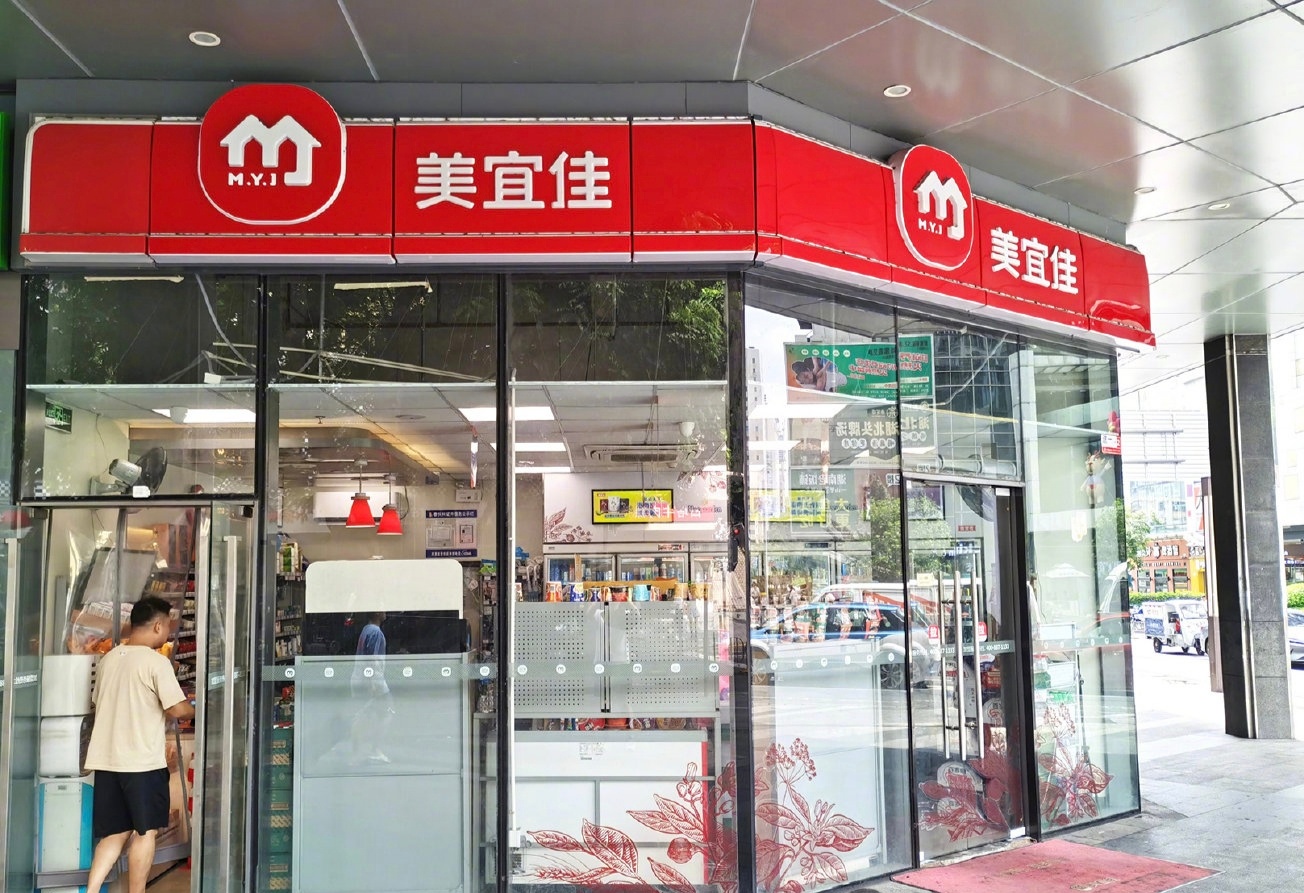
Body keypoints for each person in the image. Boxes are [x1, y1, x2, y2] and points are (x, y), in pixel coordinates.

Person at [84, 596, 194, 893]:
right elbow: (176, 708)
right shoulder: (156, 662)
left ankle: (91, 890)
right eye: (168, 626)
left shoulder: (108, 660)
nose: (168, 633)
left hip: (107, 761)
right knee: (145, 832)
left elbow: (98, 701)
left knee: (114, 833)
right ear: (158, 625)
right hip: (142, 762)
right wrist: (196, 709)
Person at [351, 611, 393, 762]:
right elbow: (372, 660)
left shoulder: (366, 629)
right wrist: (372, 684)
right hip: (373, 681)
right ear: (376, 613)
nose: (385, 611)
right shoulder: (375, 632)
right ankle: (374, 750)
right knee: (387, 711)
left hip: (360, 679)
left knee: (364, 715)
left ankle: (357, 752)